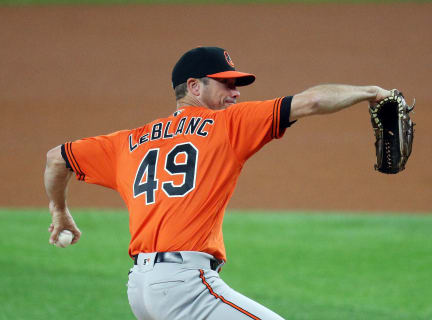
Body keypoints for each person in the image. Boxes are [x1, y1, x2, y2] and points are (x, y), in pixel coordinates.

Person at [44, 46, 392, 320]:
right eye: (226, 83)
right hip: (186, 287)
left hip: (140, 289)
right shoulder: (227, 125)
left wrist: (59, 211)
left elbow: (57, 158)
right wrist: (370, 91)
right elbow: (312, 101)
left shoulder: (128, 142)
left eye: (236, 85)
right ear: (194, 87)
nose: (235, 92)